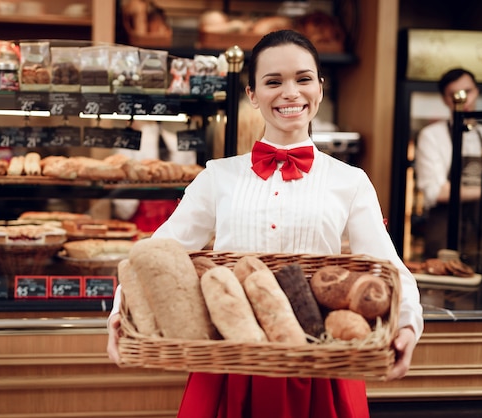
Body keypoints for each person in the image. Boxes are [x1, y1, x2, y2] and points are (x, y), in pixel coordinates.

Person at [107, 29, 423, 418]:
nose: (290, 93)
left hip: (320, 364)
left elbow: (388, 269)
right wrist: (121, 313)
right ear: (252, 94)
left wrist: (408, 325)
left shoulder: (351, 181)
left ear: (319, 89)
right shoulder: (216, 176)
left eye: (303, 79)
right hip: (229, 362)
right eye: (273, 82)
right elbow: (156, 255)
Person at [414, 68, 482, 261]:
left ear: (476, 92)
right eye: (454, 95)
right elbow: (436, 192)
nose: (463, 99)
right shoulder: (432, 136)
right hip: (443, 236)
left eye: (468, 92)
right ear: (444, 99)